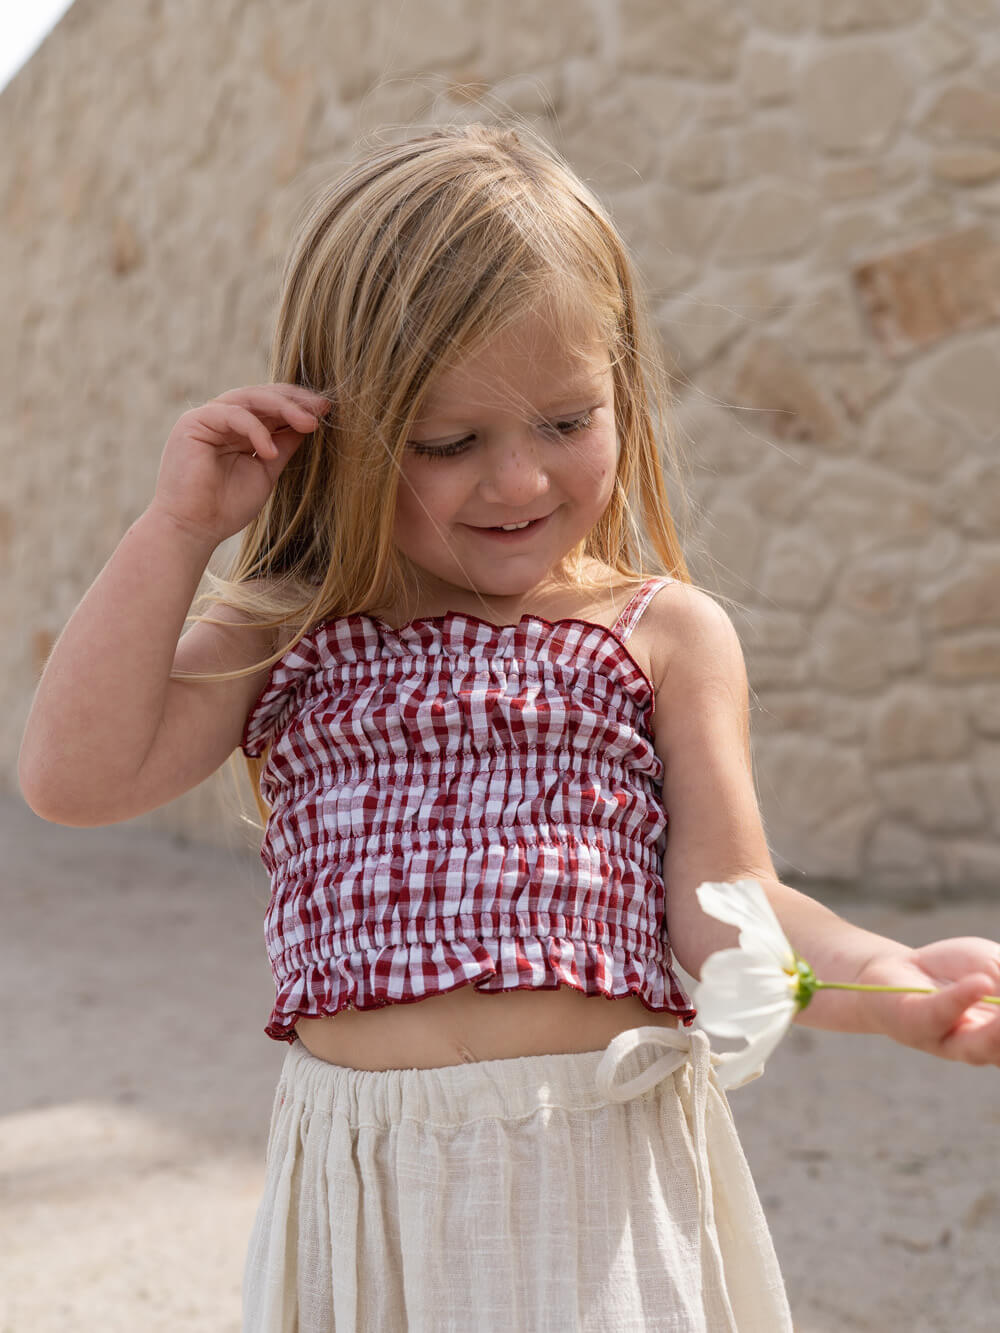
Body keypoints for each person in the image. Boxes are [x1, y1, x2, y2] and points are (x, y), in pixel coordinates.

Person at [18, 122, 1000, 1333]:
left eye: (565, 422)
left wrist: (880, 979)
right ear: (343, 426)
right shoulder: (291, 627)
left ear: (624, 393)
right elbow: (72, 775)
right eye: (448, 443)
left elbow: (730, 903)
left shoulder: (661, 634)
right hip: (372, 1192)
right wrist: (178, 532)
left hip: (597, 1185)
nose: (520, 482)